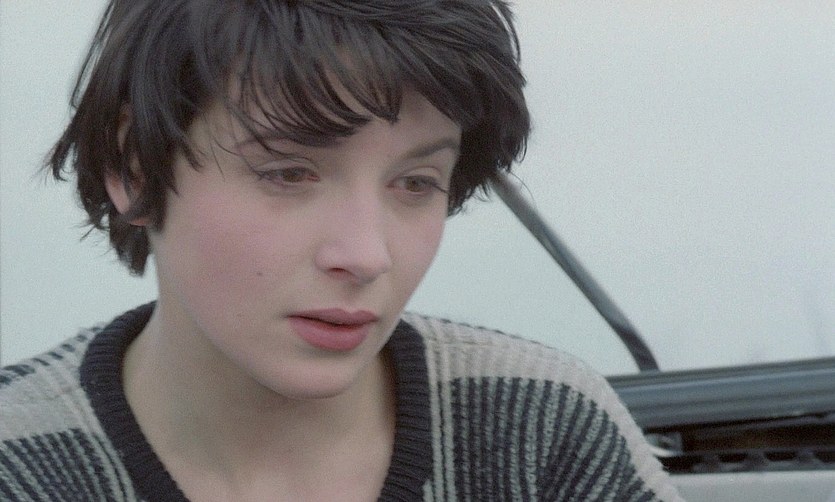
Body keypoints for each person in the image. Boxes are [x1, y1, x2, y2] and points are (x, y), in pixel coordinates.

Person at [0, 1, 682, 500]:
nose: (366, 255)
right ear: (133, 167)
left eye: (416, 183)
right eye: (288, 173)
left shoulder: (540, 430)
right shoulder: (20, 463)